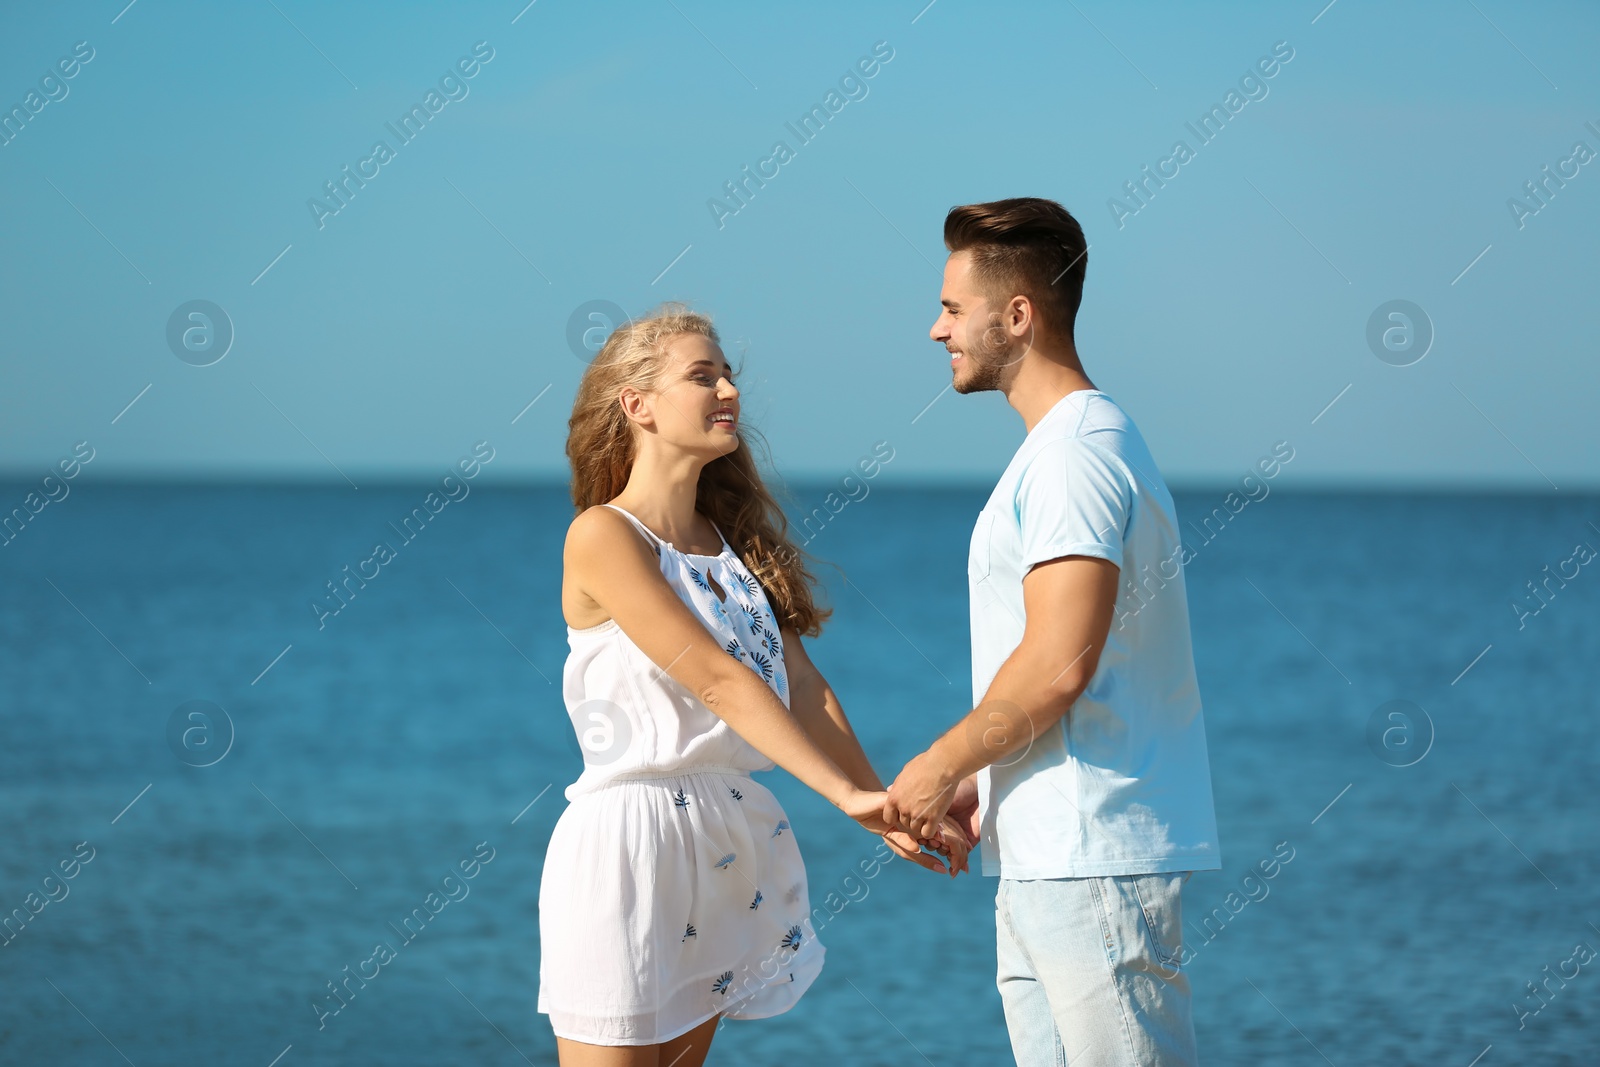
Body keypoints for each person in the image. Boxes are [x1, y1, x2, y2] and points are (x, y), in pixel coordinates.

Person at [540, 305, 969, 1067]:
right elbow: (714, 678)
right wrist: (840, 795)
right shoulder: (602, 536)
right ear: (636, 405)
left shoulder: (734, 549)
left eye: (728, 372)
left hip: (724, 833)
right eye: (702, 374)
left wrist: (883, 806)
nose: (728, 387)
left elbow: (803, 685)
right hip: (631, 840)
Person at [883, 198, 1223, 1066]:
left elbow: (1059, 662)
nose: (936, 330)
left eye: (954, 309)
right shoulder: (1067, 448)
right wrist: (987, 775)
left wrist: (940, 765)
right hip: (1052, 855)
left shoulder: (1074, 456)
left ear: (1019, 316)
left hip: (1091, 857)